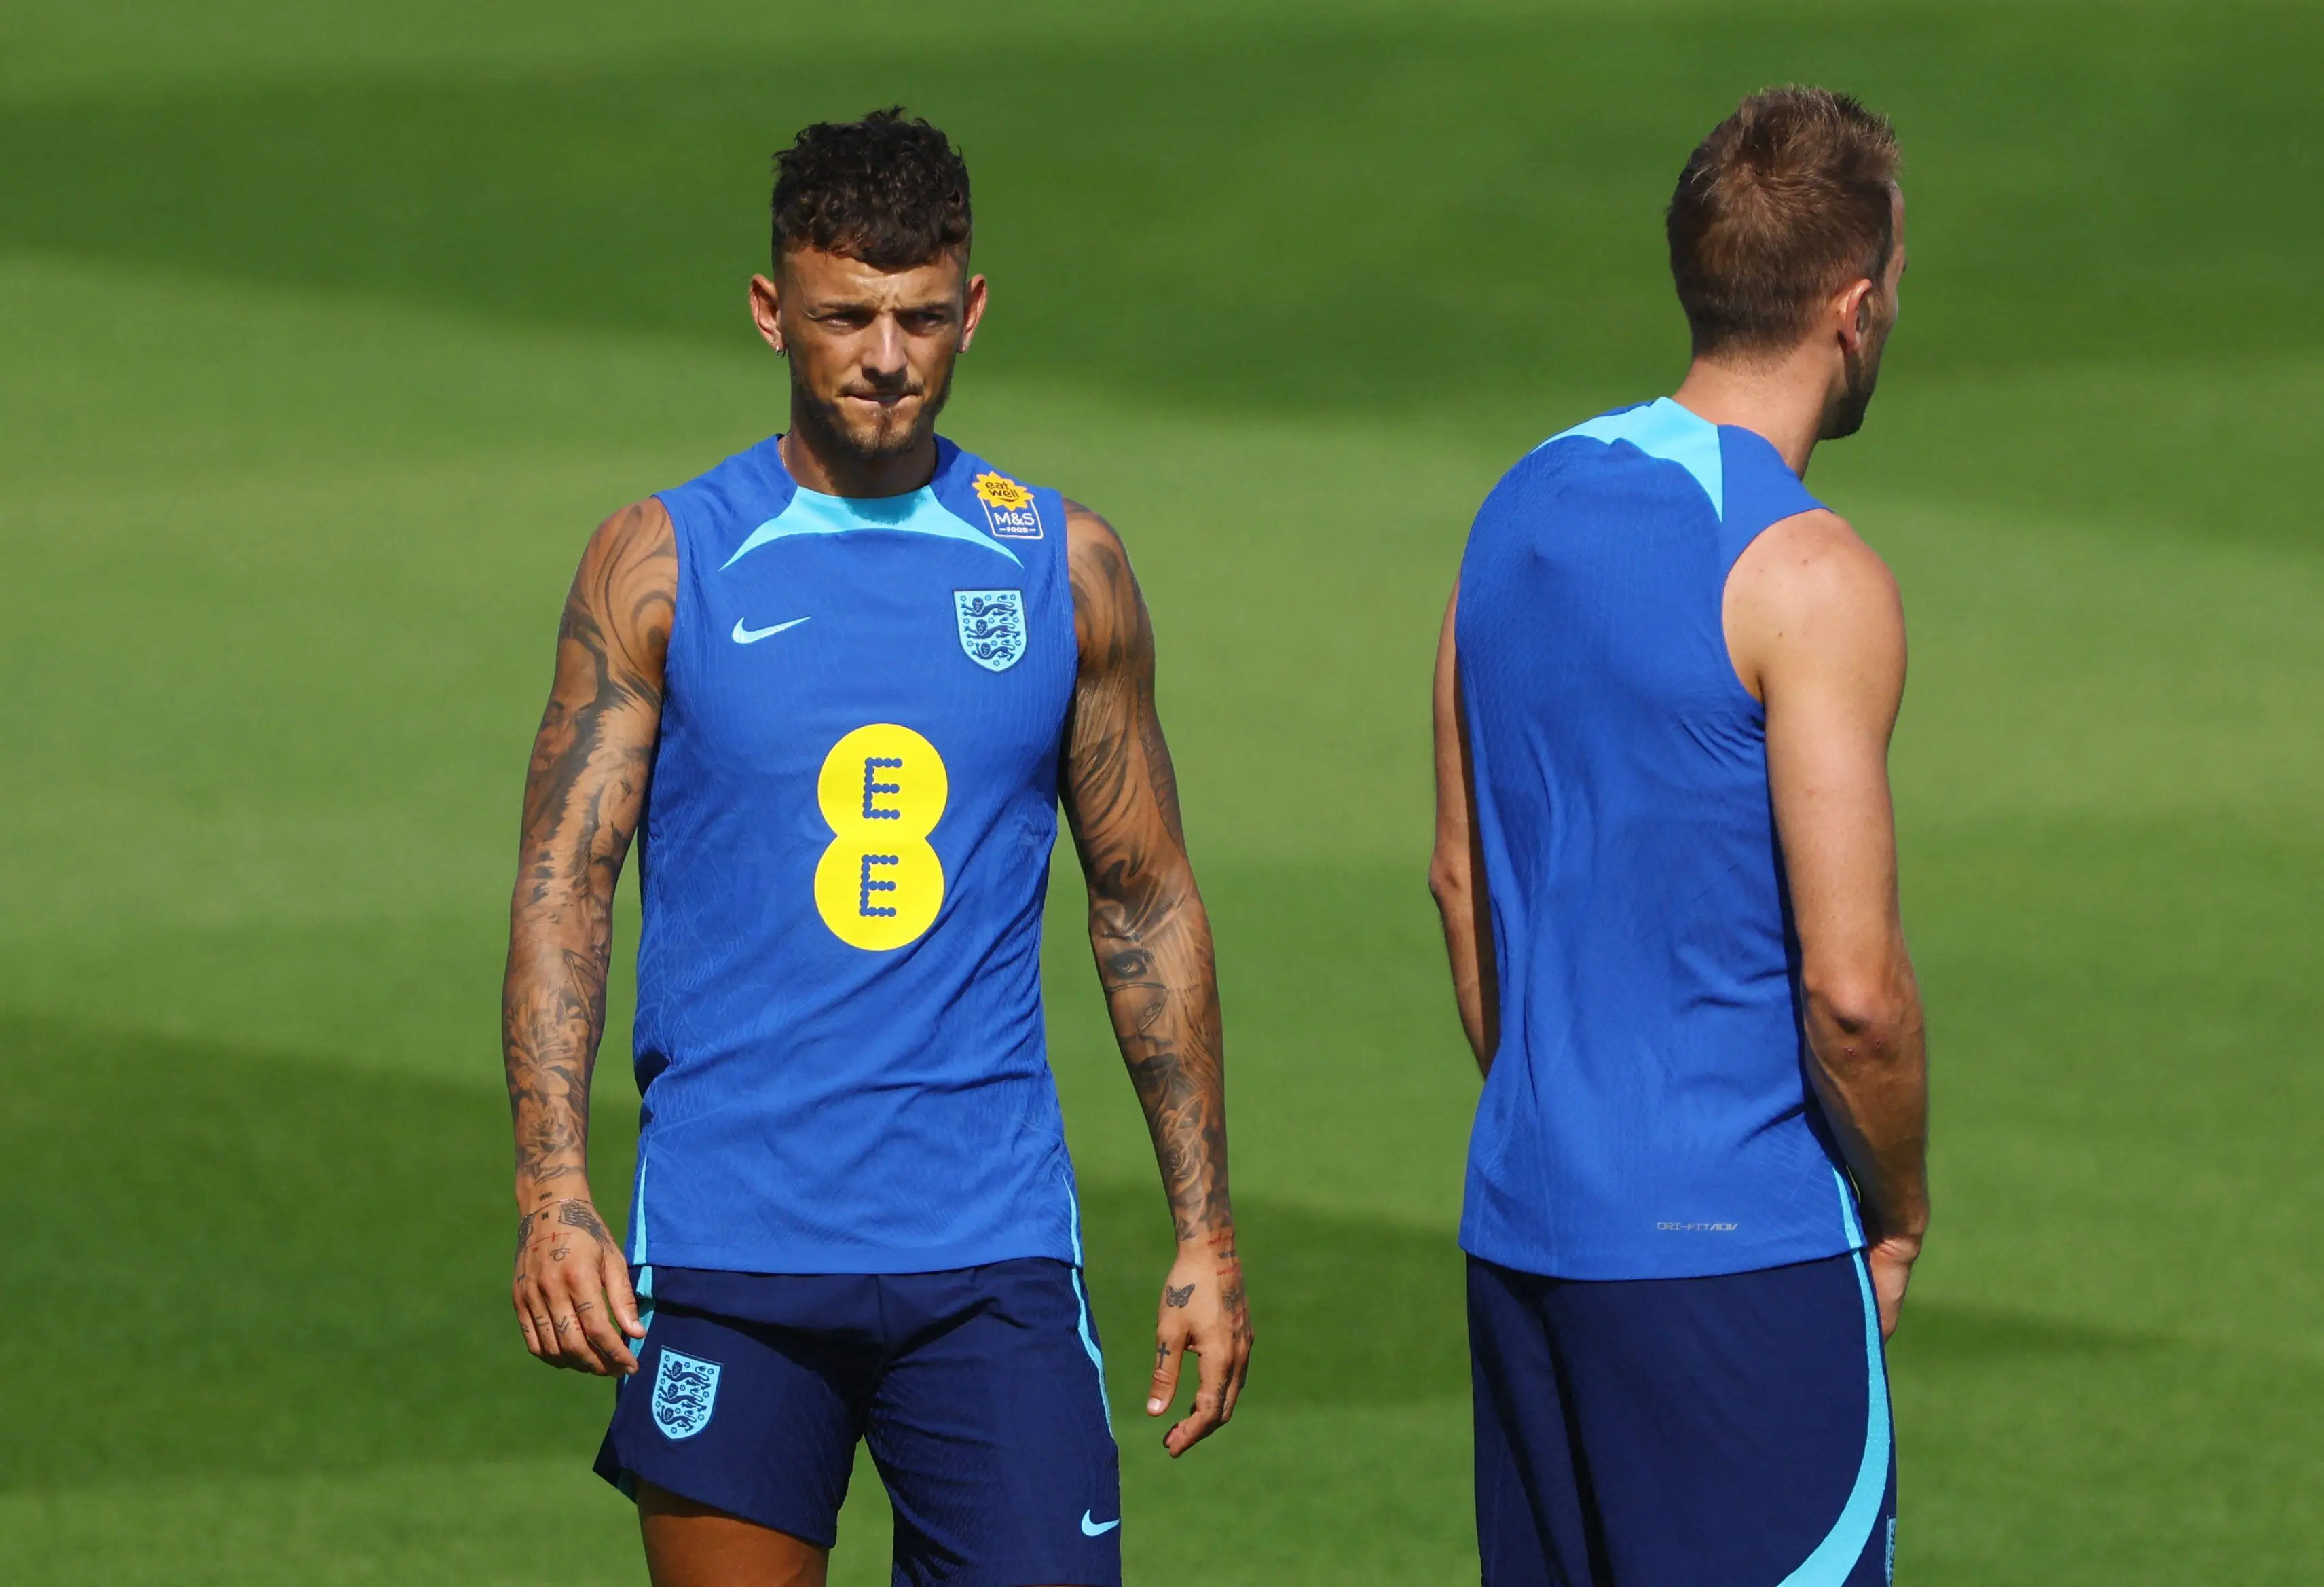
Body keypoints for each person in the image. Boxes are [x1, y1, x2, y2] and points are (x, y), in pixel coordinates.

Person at [500, 107, 1250, 1587]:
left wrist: (1204, 1231)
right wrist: (553, 1194)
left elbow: (1144, 898)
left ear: (971, 307)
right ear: (773, 311)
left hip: (991, 1257)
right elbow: (561, 883)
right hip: (730, 1255)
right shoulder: (663, 561)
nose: (886, 357)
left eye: (920, 316)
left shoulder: (1060, 563)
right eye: (846, 315)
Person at [1429, 86, 1930, 1586]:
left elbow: (1462, 881)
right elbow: (1854, 993)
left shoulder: (1514, 507)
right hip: (1740, 1261)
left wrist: (1573, 1129)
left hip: (1525, 1233)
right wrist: (1897, 1209)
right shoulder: (1809, 573)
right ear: (1853, 306)